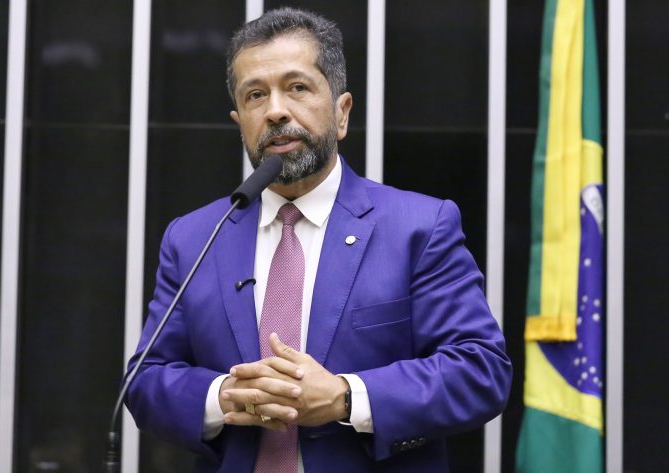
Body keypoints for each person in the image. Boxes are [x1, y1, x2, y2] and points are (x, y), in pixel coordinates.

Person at [125, 7, 511, 473]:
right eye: (255, 95)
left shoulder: (419, 227)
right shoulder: (193, 238)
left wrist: (346, 397)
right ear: (239, 120)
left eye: (297, 88)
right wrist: (222, 396)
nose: (275, 111)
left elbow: (480, 371)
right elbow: (146, 381)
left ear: (342, 112)